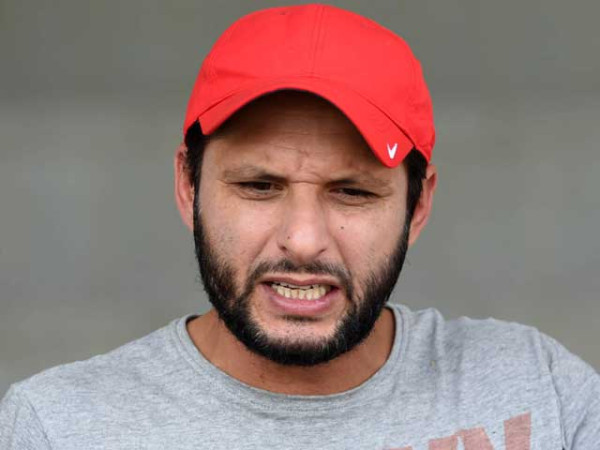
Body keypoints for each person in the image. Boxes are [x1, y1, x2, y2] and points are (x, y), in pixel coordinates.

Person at [1, 4, 598, 449]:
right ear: (189, 186)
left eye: (353, 192)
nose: (305, 240)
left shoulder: (540, 387)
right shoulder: (58, 427)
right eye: (259, 186)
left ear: (417, 206)